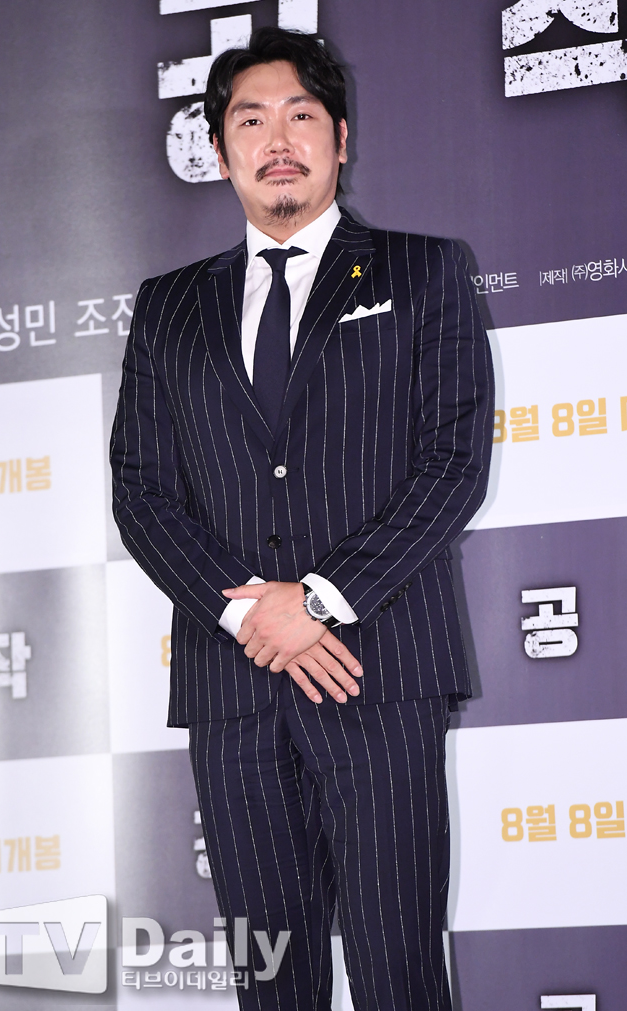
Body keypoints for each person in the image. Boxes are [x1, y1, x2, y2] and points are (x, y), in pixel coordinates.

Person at [111, 26, 493, 1011]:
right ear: (219, 150)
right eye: (250, 121)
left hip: (380, 674)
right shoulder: (167, 308)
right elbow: (141, 491)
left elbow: (452, 465)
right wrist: (252, 614)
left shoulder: (424, 272)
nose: (277, 140)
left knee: (399, 973)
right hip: (234, 687)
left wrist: (318, 599)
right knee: (271, 981)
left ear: (340, 136)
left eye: (300, 115)